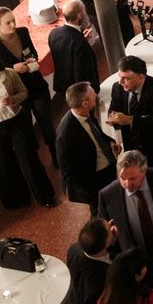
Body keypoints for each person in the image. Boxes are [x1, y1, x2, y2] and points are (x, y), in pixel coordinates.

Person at [0, 48, 55, 208]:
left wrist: (13, 99)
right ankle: (17, 200)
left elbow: (24, 92)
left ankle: (45, 196)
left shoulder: (9, 74)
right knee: (4, 164)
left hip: (16, 122)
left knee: (28, 159)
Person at [0, 7, 57, 165]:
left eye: (13, 20)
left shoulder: (23, 32)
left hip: (36, 85)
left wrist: (32, 60)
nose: (13, 25)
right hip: (16, 92)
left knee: (47, 125)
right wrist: (13, 68)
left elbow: (33, 53)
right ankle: (37, 164)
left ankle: (56, 157)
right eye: (8, 23)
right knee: (26, 133)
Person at [97, 150, 153, 259]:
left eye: (132, 178)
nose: (127, 184)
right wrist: (111, 238)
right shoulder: (107, 196)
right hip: (136, 263)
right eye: (122, 178)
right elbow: (104, 235)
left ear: (144, 171)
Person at [107, 54, 153, 172]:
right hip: (133, 152)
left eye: (126, 78)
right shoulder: (118, 88)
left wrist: (129, 119)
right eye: (119, 77)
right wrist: (113, 119)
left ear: (141, 76)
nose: (120, 82)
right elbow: (113, 109)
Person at [57, 81, 119, 214]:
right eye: (92, 93)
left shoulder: (86, 113)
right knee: (101, 212)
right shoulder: (65, 134)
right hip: (94, 181)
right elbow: (68, 172)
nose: (96, 95)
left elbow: (97, 134)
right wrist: (90, 194)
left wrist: (110, 142)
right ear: (85, 103)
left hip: (107, 169)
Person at [67, 218, 117, 304]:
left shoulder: (74, 249)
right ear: (104, 244)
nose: (112, 224)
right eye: (109, 229)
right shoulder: (99, 282)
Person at [49, 0, 99, 95]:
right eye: (84, 11)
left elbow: (67, 49)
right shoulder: (79, 42)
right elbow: (81, 72)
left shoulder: (53, 33)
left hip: (62, 85)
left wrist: (81, 37)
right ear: (79, 15)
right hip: (78, 92)